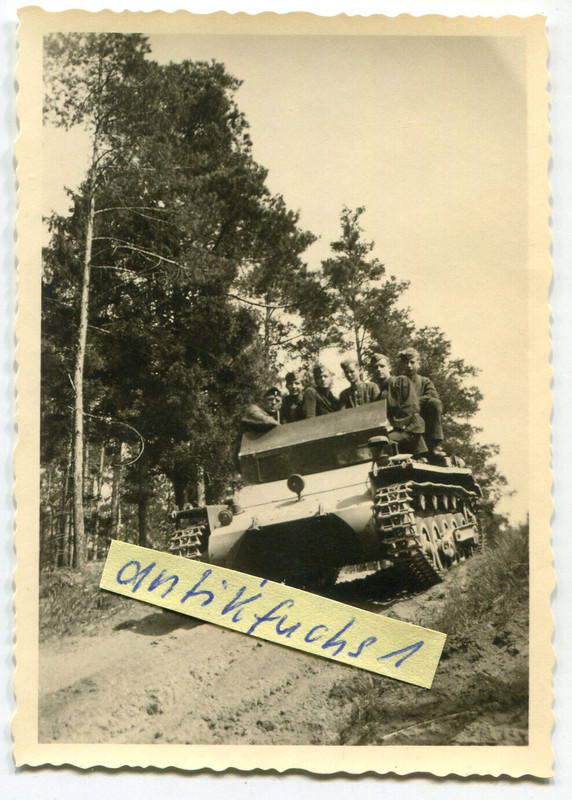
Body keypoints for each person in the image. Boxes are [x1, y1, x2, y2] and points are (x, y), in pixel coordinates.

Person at [370, 353, 427, 455]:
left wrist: (393, 426)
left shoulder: (401, 381)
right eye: (375, 367)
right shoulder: (380, 395)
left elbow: (411, 407)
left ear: (389, 368)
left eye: (382, 366)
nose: (378, 369)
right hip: (396, 431)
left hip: (410, 429)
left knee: (383, 444)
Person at [397, 347, 445, 455]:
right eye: (406, 362)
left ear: (418, 363)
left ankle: (435, 444)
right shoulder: (398, 382)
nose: (409, 365)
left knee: (435, 404)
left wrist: (414, 403)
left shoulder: (424, 381)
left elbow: (432, 396)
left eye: (412, 362)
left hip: (423, 414)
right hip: (406, 418)